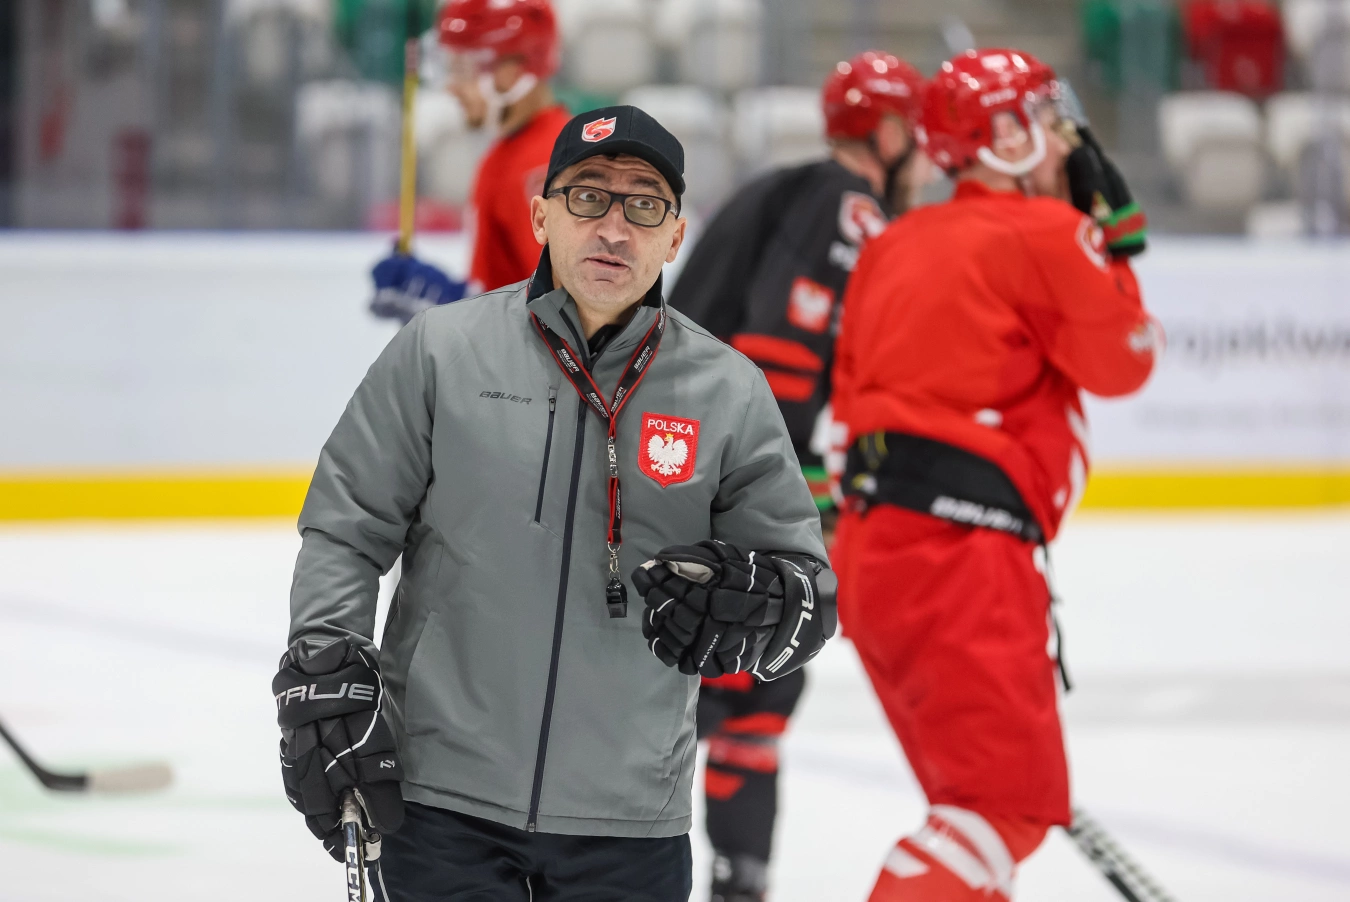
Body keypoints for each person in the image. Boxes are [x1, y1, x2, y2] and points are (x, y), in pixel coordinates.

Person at [273, 105, 836, 902]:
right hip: (440, 803)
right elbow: (346, 526)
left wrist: (771, 602)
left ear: (676, 236)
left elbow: (805, 583)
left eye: (645, 205)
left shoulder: (729, 391)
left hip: (631, 821)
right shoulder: (440, 351)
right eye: (588, 196)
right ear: (541, 215)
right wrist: (325, 660)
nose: (614, 227)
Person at [828, 49, 1161, 901]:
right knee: (998, 810)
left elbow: (848, 403)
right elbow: (1125, 361)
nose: (1062, 137)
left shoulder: (892, 244)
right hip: (962, 561)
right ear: (1006, 136)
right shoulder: (1044, 233)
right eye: (1044, 120)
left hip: (874, 558)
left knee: (969, 818)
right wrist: (1112, 242)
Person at [667, 50, 926, 902]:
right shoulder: (847, 206)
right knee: (730, 675)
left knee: (747, 683)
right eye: (917, 136)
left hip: (684, 456)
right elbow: (776, 357)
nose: (927, 158)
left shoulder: (794, 191)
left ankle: (734, 878)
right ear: (888, 133)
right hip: (718, 472)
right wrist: (799, 494)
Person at [370, 0, 572, 323]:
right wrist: (449, 299)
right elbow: (504, 293)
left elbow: (563, 316)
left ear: (513, 70)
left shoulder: (546, 166)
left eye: (463, 69)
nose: (451, 86)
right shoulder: (508, 154)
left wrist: (447, 303)